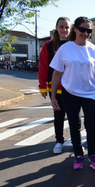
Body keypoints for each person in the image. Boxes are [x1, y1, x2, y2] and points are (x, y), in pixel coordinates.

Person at [50, 16, 95, 170]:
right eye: (82, 29)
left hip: (90, 92)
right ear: (75, 29)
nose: (86, 33)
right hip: (70, 92)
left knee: (91, 125)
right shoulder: (65, 48)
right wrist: (52, 96)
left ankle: (93, 154)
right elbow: (57, 73)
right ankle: (78, 154)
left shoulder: (94, 49)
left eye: (89, 31)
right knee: (74, 125)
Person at [38, 16, 71, 154]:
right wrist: (42, 86)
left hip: (73, 87)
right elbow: (43, 66)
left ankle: (76, 141)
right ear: (56, 28)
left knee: (74, 116)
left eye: (67, 27)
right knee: (58, 115)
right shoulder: (48, 45)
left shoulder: (75, 44)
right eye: (61, 26)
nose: (64, 29)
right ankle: (59, 141)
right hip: (55, 87)